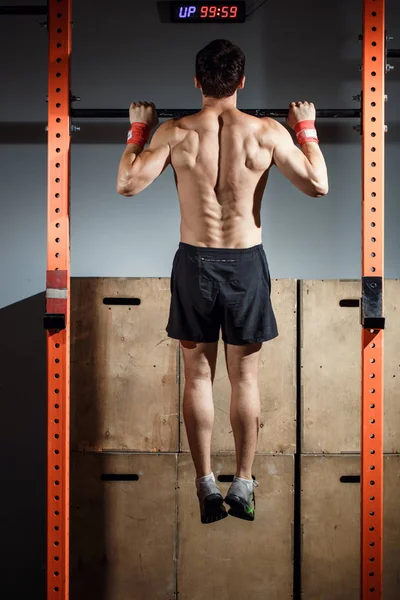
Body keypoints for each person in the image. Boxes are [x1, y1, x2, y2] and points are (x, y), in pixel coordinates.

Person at [116, 39, 328, 524]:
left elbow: (127, 184)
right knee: (244, 378)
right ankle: (245, 481)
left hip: (194, 264)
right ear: (242, 81)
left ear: (196, 81)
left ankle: (206, 482)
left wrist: (138, 129)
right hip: (245, 263)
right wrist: (307, 128)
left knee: (198, 377)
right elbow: (319, 184)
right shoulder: (267, 132)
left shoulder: (175, 132)